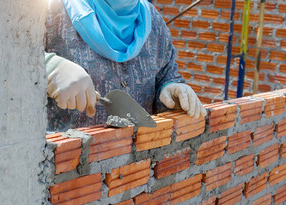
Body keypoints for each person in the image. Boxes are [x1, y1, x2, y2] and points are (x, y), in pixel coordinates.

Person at [45, 0, 206, 131]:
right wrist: (50, 66)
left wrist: (170, 88)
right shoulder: (52, 11)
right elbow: (20, 64)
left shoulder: (153, 20)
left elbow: (165, 74)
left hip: (135, 164)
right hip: (68, 163)